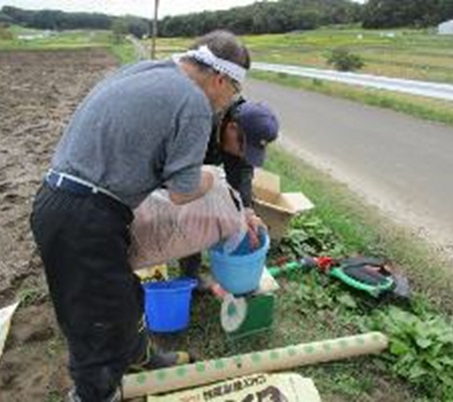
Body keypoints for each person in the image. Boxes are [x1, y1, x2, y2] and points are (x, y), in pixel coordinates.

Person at [29, 30, 250, 402]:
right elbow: (181, 191)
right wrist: (212, 178)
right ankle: (93, 394)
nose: (227, 103)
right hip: (85, 216)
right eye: (233, 94)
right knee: (98, 325)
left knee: (124, 297)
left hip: (61, 200)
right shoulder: (194, 102)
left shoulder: (145, 70)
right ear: (220, 79)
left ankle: (139, 358)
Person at [180, 99, 279, 286]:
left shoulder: (243, 129)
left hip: (207, 158)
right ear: (232, 128)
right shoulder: (200, 124)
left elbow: (242, 171)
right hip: (172, 165)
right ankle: (188, 274)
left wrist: (247, 209)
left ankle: (190, 272)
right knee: (192, 209)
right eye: (244, 149)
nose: (244, 155)